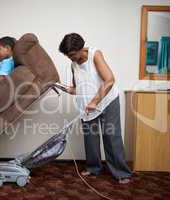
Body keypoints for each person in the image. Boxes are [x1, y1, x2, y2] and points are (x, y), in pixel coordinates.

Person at [59, 33, 131, 184]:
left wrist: (95, 101)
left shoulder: (95, 54)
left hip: (106, 100)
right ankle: (93, 168)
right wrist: (60, 87)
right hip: (88, 105)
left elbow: (110, 79)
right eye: (68, 55)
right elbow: (76, 89)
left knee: (111, 136)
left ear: (81, 48)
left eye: (72, 54)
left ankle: (121, 172)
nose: (70, 58)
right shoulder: (73, 64)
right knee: (90, 138)